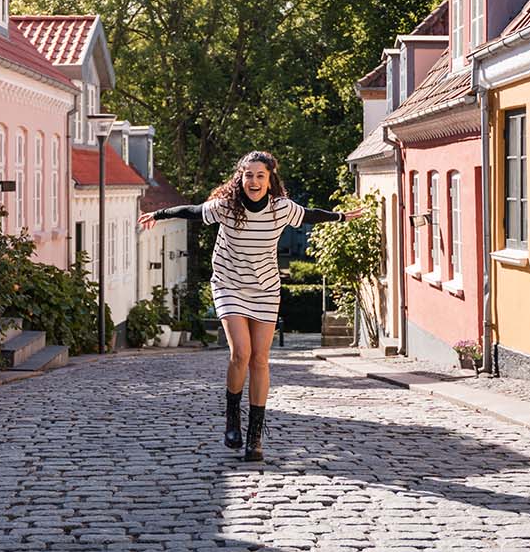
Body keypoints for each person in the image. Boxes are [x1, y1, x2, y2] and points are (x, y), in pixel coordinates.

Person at [138, 151, 363, 461]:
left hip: (266, 290)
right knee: (240, 353)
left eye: (260, 175)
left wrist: (340, 216)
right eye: (248, 175)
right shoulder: (227, 207)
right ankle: (233, 417)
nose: (254, 181)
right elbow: (192, 210)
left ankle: (254, 436)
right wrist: (159, 214)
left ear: (270, 179)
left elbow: (310, 214)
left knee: (260, 359)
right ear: (240, 178)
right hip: (229, 284)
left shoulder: (281, 208)